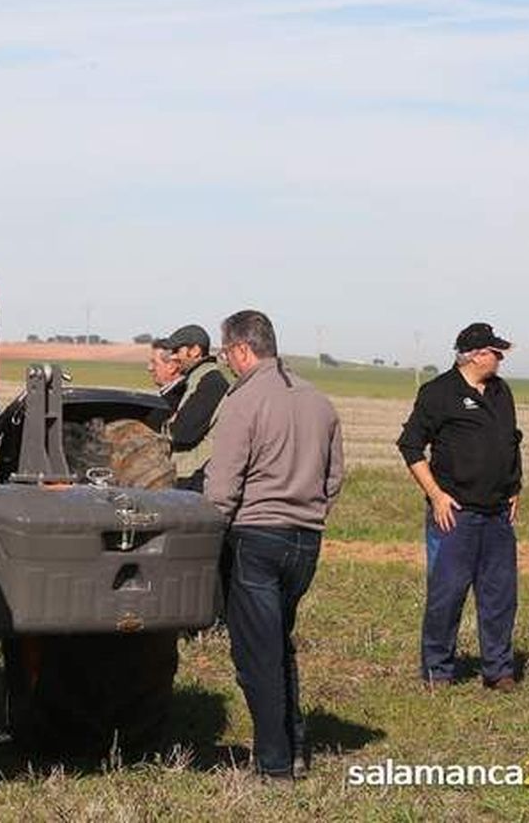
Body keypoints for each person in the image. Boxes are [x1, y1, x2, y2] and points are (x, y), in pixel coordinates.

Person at [202, 310, 343, 780]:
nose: (226, 361)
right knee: (278, 645)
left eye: (226, 353)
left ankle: (275, 764)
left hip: (257, 537)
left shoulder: (244, 400)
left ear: (242, 349)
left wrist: (211, 535)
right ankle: (296, 746)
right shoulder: (319, 400)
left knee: (256, 657)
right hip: (306, 540)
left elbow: (223, 483)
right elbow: (334, 477)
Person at [396, 322, 522, 691]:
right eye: (495, 353)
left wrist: (515, 486)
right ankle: (438, 671)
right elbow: (410, 447)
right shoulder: (438, 393)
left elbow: (511, 441)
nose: (500, 359)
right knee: (447, 596)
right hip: (456, 514)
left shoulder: (501, 392)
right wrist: (436, 495)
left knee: (500, 596)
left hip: (498, 514)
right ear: (477, 355)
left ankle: (498, 670)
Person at [154, 323, 230, 489]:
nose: (173, 358)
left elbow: (183, 432)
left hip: (193, 478)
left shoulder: (211, 382)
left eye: (177, 351)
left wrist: (163, 429)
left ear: (195, 350)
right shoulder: (196, 380)